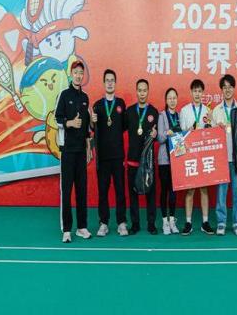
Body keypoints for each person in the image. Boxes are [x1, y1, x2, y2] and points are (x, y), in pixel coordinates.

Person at [55, 60, 93, 243]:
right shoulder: (64, 95)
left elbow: (86, 127)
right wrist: (69, 123)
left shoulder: (85, 98)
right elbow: (56, 119)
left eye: (81, 73)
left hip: (81, 152)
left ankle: (82, 227)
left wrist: (88, 147)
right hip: (68, 151)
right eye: (76, 72)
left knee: (82, 190)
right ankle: (67, 229)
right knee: (67, 190)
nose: (78, 76)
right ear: (71, 75)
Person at [91, 69, 128, 237]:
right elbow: (93, 129)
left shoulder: (121, 103)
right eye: (107, 80)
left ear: (116, 82)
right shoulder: (97, 105)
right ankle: (104, 223)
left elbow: (125, 126)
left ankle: (121, 222)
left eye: (112, 80)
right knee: (103, 191)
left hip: (118, 155)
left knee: (120, 190)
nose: (110, 83)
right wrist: (92, 122)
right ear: (103, 83)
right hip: (103, 157)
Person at [179, 79, 215, 235]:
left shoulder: (208, 111)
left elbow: (212, 132)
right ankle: (188, 222)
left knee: (204, 189)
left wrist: (209, 125)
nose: (197, 94)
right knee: (190, 190)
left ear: (203, 93)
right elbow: (181, 134)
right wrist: (190, 129)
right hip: (189, 155)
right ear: (191, 92)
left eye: (200, 91)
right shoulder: (184, 111)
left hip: (204, 154)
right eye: (195, 91)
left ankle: (205, 222)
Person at [212, 75, 237, 236]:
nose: (227, 90)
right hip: (221, 159)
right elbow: (211, 136)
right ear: (221, 90)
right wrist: (215, 128)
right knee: (221, 194)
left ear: (234, 88)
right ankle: (221, 223)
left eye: (230, 87)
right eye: (224, 87)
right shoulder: (216, 111)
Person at [125, 79, 159, 235]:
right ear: (136, 91)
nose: (142, 93)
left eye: (145, 90)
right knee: (133, 193)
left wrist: (156, 134)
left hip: (148, 162)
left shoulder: (154, 112)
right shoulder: (129, 112)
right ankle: (135, 224)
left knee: (150, 192)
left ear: (148, 91)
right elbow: (118, 129)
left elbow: (158, 135)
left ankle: (151, 224)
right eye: (140, 90)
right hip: (132, 159)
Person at [157, 87, 182, 235]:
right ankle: (164, 221)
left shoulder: (179, 116)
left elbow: (182, 136)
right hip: (164, 160)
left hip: (176, 159)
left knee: (173, 191)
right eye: (169, 98)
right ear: (166, 100)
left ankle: (172, 220)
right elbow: (160, 138)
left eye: (174, 98)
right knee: (164, 190)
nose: (172, 100)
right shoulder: (162, 116)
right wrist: (168, 133)